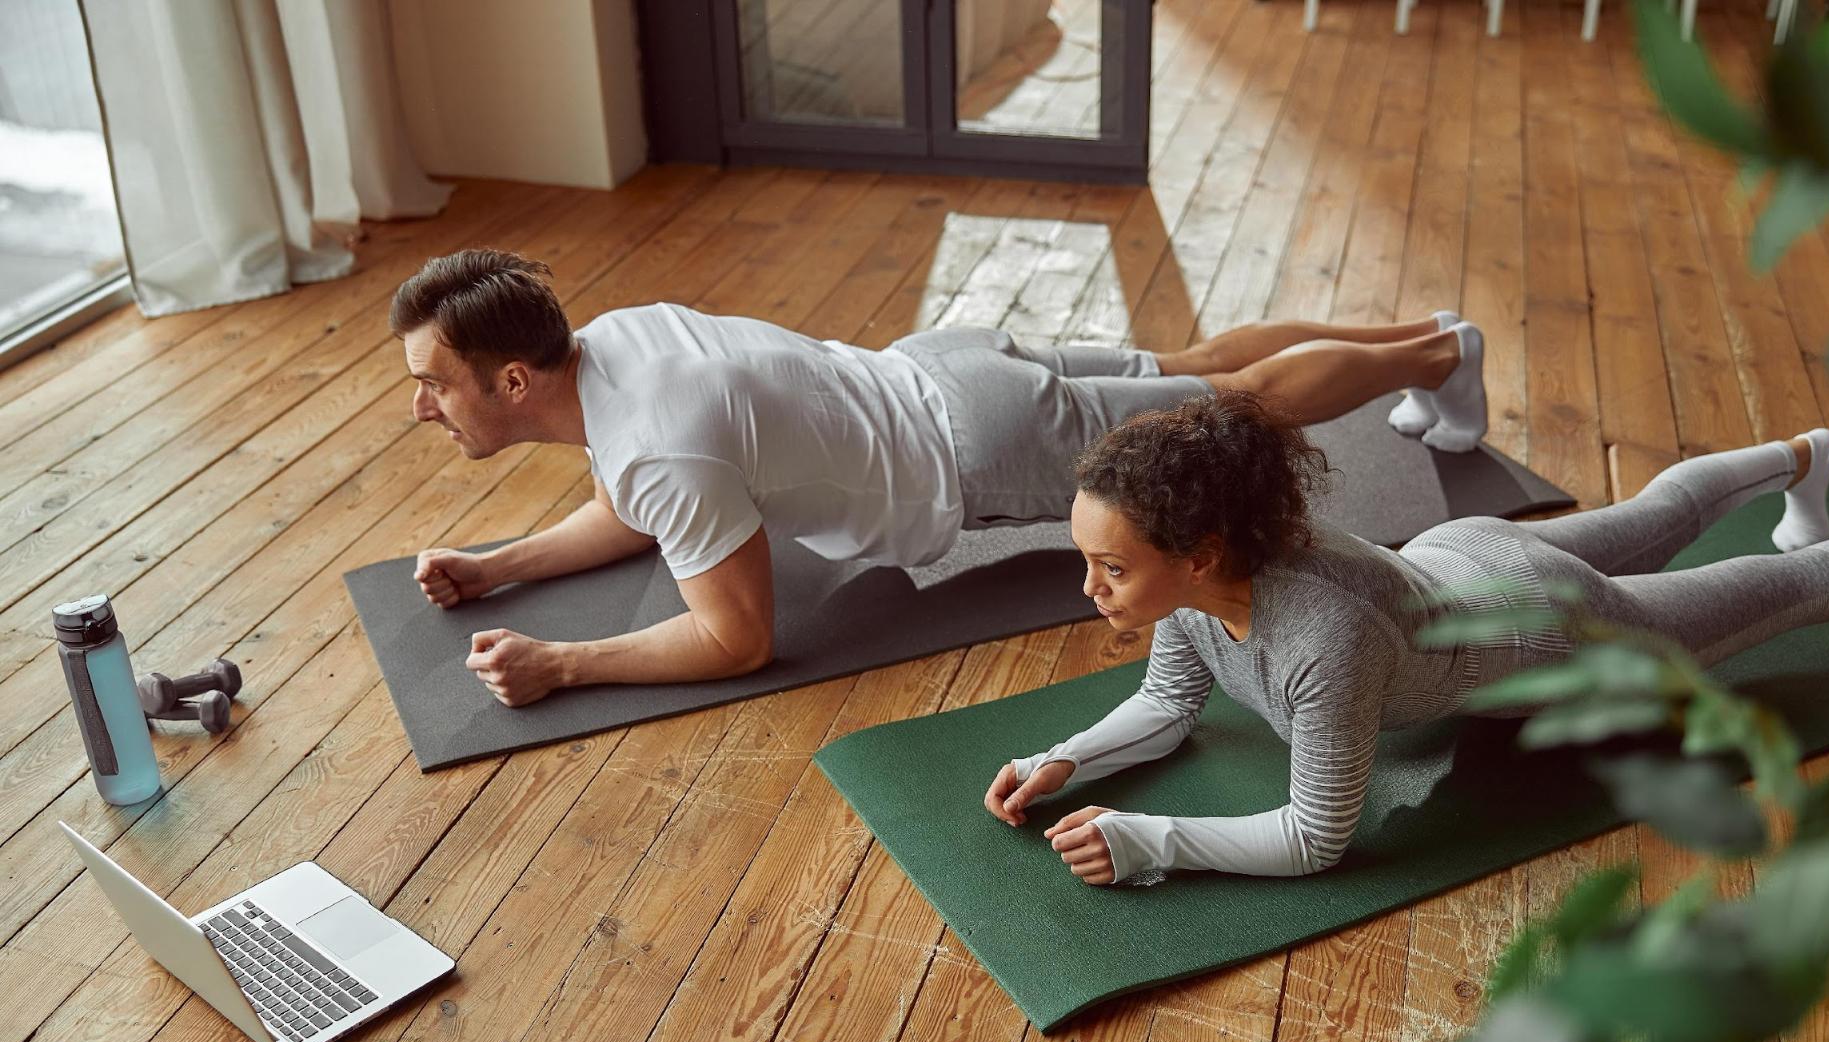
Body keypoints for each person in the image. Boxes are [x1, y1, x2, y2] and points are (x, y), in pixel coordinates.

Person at [389, 249, 1489, 707]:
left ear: (516, 379)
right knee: (1201, 365)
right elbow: (635, 506)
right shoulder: (616, 341)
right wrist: (498, 568)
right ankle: (1429, 338)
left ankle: (1438, 356)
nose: (422, 407)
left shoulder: (657, 447)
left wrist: (563, 663)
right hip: (943, 367)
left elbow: (736, 638)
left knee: (1235, 402)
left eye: (434, 384)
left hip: (979, 446)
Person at [984, 391, 1829, 887]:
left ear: (1200, 553)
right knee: (1652, 514)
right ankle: (1801, 457)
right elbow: (1168, 703)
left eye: (1110, 568)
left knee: (1787, 588)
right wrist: (1063, 761)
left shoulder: (1323, 641)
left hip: (1557, 628)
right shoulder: (1203, 582)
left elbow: (1313, 838)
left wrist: (1149, 841)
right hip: (1462, 554)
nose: (1090, 590)